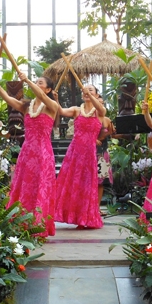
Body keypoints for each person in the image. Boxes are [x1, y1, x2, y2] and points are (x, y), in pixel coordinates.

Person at [0, 72, 59, 237]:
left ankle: (38, 225)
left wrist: (26, 80)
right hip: (27, 152)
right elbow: (9, 100)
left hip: (43, 153)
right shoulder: (27, 106)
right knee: (24, 187)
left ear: (48, 89)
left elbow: (40, 94)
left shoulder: (52, 107)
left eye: (40, 82)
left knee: (39, 187)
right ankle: (21, 222)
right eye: (36, 82)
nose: (37, 84)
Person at [54, 85, 106, 229]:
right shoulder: (77, 110)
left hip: (89, 153)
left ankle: (86, 217)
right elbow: (61, 111)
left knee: (87, 185)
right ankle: (74, 215)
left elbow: (101, 109)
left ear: (96, 95)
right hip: (75, 152)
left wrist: (93, 98)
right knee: (73, 183)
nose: (87, 92)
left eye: (91, 90)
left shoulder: (99, 112)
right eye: (85, 90)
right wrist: (56, 99)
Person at [96, 94, 115, 210]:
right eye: (99, 103)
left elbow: (113, 134)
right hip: (91, 151)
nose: (101, 105)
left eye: (102, 103)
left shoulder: (107, 120)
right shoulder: (89, 118)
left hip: (102, 153)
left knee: (100, 181)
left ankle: (97, 208)